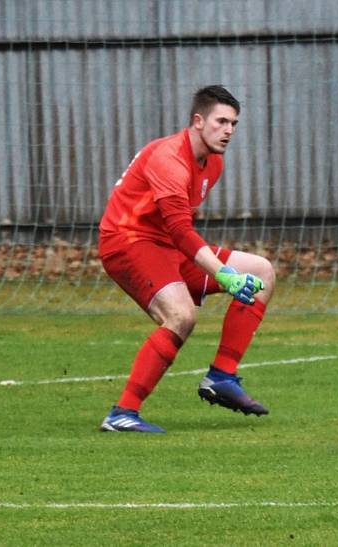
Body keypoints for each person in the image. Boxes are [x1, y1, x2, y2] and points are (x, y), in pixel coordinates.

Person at [98, 85, 275, 433]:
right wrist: (224, 275)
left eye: (234, 124)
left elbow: (179, 232)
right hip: (127, 241)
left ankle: (222, 376)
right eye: (221, 121)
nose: (229, 131)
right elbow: (180, 230)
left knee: (262, 272)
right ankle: (122, 413)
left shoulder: (214, 163)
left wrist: (225, 273)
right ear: (197, 121)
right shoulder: (169, 159)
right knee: (181, 316)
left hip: (165, 245)